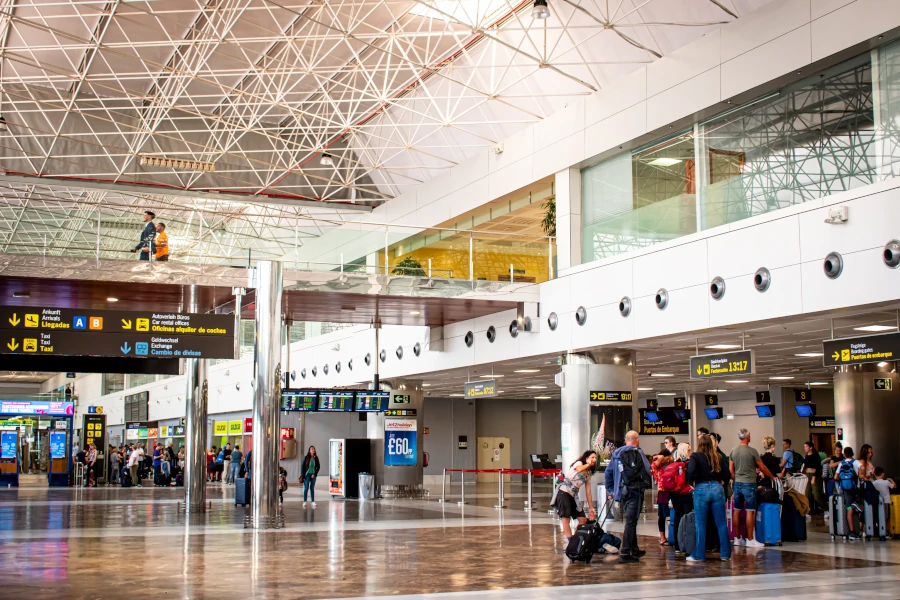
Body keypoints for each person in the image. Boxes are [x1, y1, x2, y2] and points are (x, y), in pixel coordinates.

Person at [605, 430, 651, 564]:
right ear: (637, 440)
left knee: (631, 520)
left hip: (621, 492)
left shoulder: (616, 453)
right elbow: (648, 470)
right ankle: (625, 552)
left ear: (626, 440)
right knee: (631, 522)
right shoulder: (638, 452)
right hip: (635, 492)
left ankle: (634, 549)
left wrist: (611, 490)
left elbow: (609, 473)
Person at [686, 434, 732, 562]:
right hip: (717, 488)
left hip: (701, 489)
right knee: (722, 523)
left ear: (700, 444)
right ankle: (725, 554)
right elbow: (727, 473)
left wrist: (691, 483)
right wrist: (722, 481)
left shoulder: (695, 456)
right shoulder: (717, 456)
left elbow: (690, 471)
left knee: (700, 524)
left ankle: (699, 555)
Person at [729, 429, 774, 548]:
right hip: (749, 484)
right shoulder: (752, 451)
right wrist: (772, 477)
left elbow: (731, 470)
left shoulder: (733, 451)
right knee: (750, 511)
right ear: (747, 436)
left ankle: (737, 538)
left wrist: (736, 478)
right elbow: (762, 467)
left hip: (737, 484)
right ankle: (750, 539)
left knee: (737, 510)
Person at [554, 450, 597, 540]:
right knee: (566, 519)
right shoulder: (579, 463)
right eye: (592, 457)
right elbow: (579, 469)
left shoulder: (588, 473)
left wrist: (591, 508)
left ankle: (575, 539)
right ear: (586, 458)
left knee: (583, 520)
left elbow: (588, 492)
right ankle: (570, 542)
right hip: (564, 492)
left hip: (573, 495)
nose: (594, 459)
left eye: (595, 458)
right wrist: (588, 464)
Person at [670, 443, 694, 557]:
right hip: (686, 494)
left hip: (675, 494)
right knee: (688, 518)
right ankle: (687, 544)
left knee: (677, 517)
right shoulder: (689, 464)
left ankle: (677, 546)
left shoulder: (674, 464)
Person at [652, 438, 676, 546]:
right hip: (662, 492)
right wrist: (661, 457)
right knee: (662, 516)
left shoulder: (671, 464)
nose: (669, 459)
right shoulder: (657, 466)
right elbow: (655, 464)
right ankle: (662, 537)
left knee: (673, 515)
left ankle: (673, 537)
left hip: (673, 491)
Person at [835, 446, 862, 540]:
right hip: (855, 488)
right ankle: (855, 532)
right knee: (860, 505)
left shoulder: (841, 463)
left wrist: (844, 479)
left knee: (849, 509)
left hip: (846, 490)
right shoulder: (856, 462)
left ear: (844, 454)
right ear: (853, 454)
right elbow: (862, 469)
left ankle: (852, 531)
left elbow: (836, 477)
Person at [802, 441, 825, 514]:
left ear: (810, 447)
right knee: (807, 494)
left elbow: (818, 467)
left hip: (815, 475)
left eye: (806, 446)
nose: (804, 448)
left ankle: (826, 509)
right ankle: (809, 511)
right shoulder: (806, 456)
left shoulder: (816, 456)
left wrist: (814, 477)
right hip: (807, 475)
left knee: (817, 495)